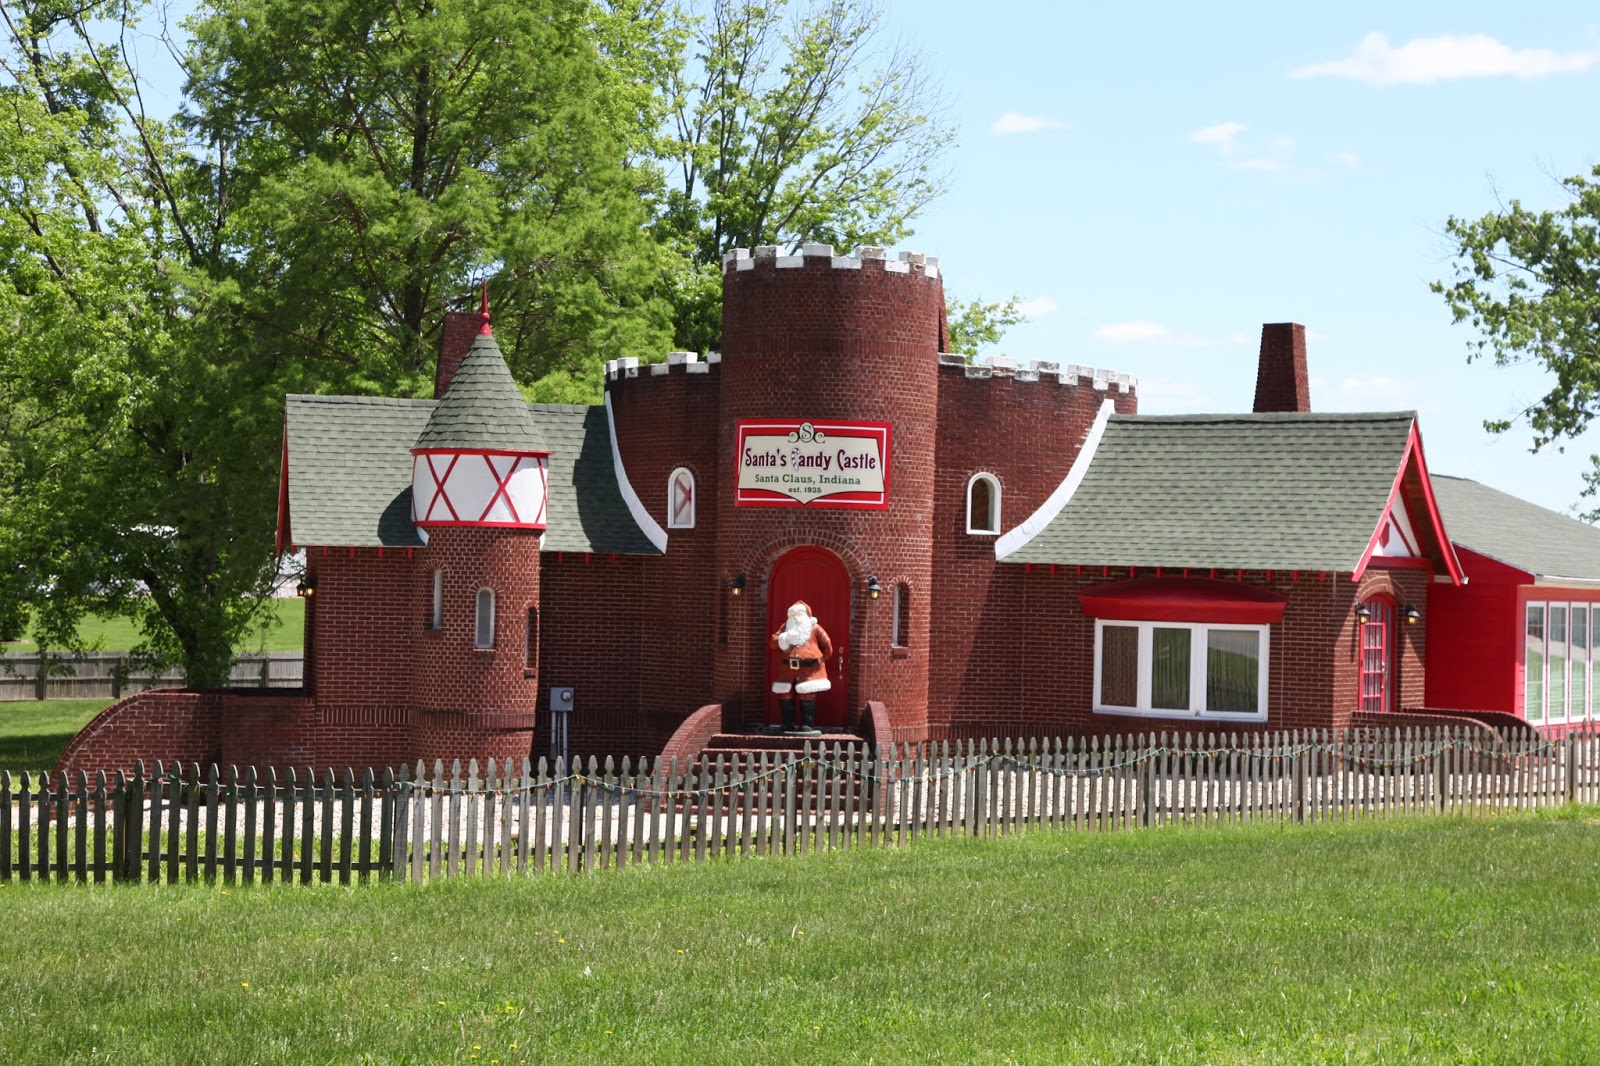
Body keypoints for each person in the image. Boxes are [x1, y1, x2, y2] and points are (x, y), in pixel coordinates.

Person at [771, 600, 832, 734]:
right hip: (787, 670)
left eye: (799, 614)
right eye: (794, 614)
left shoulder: (815, 628)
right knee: (785, 694)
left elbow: (827, 646)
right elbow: (773, 642)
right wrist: (783, 638)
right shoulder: (785, 628)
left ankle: (807, 724)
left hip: (809, 670)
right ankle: (788, 724)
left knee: (807, 695)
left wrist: (820, 660)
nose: (796, 618)